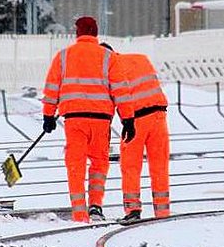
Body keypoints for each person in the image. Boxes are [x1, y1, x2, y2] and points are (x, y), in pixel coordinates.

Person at [41, 16, 116, 222]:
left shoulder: (63, 56)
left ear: (77, 33)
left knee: (76, 164)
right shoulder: (108, 57)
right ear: (96, 32)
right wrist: (127, 117)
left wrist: (49, 115)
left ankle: (79, 212)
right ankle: (96, 205)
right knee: (99, 163)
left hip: (74, 120)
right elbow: (119, 89)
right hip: (102, 120)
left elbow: (52, 88)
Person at [110, 50, 170, 222]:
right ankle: (162, 212)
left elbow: (115, 99)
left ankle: (133, 210)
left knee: (130, 166)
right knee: (159, 166)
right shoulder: (140, 58)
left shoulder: (112, 68)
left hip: (135, 120)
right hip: (159, 116)